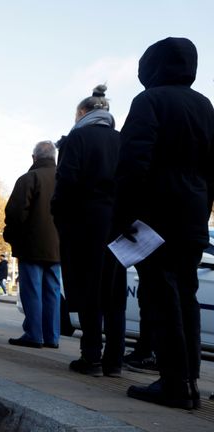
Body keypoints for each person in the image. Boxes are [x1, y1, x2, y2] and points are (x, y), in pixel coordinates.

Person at [115, 37, 214, 409]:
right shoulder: (205, 105)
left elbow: (133, 163)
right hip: (192, 214)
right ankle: (189, 381)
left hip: (156, 214)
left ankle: (172, 382)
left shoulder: (149, 101)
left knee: (159, 296)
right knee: (185, 295)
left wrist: (124, 216)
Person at [51, 84, 126, 377]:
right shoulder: (122, 139)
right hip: (118, 224)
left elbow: (66, 182)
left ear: (82, 112)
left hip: (84, 223)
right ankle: (115, 360)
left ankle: (91, 356)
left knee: (88, 288)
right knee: (114, 292)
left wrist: (59, 214)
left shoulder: (77, 138)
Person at [4, 141, 61, 349]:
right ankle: (52, 336)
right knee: (53, 290)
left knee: (32, 290)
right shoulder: (65, 177)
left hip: (32, 245)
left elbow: (16, 213)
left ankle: (34, 334)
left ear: (34, 158)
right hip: (57, 247)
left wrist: (10, 235)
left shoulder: (30, 178)